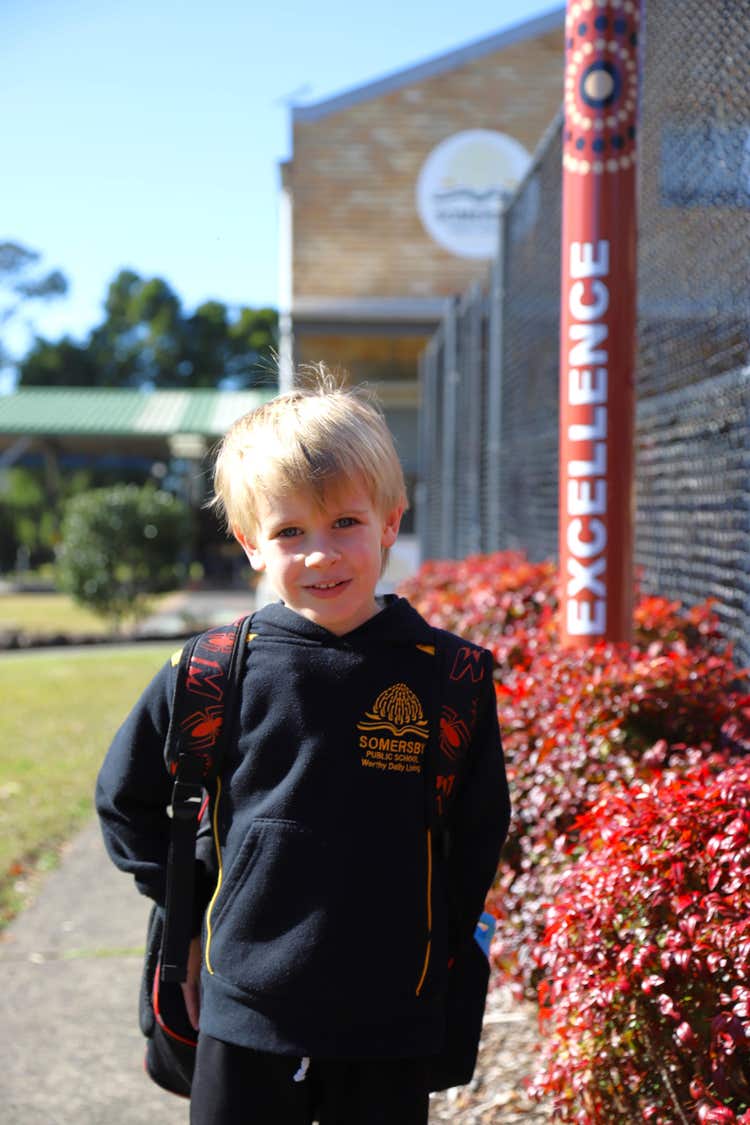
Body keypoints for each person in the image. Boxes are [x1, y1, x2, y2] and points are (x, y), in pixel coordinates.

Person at [96, 371, 510, 1125]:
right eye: (290, 532)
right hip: (243, 1004)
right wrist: (185, 917)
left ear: (391, 520)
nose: (321, 554)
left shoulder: (451, 677)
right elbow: (125, 800)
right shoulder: (214, 669)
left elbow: (477, 833)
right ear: (252, 543)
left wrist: (440, 954)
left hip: (388, 1015)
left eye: (345, 521)